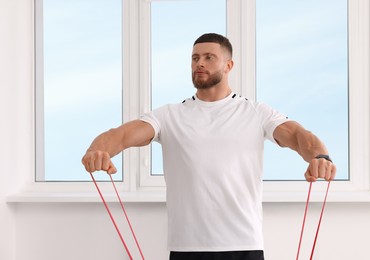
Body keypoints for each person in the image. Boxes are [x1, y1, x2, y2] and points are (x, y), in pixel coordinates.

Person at [82, 33, 336, 260]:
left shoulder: (256, 112)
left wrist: (320, 156)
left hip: (243, 244)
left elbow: (298, 135)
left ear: (228, 65)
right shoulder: (169, 115)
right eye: (194, 58)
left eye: (208, 57)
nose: (199, 63)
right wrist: (98, 150)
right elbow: (121, 135)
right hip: (187, 246)